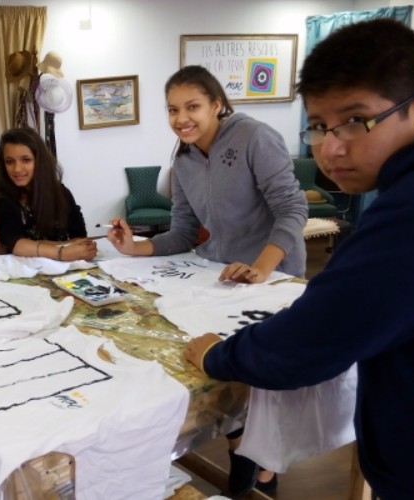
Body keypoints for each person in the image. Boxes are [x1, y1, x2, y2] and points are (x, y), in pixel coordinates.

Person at [185, 19, 414, 498]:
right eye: (317, 127)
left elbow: (309, 342)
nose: (330, 148)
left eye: (355, 121)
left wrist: (217, 354)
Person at [107, 65, 307, 495]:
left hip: (274, 275)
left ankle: (265, 468)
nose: (182, 118)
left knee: (263, 371)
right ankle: (242, 446)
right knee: (217, 356)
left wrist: (262, 267)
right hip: (220, 274)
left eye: (192, 106)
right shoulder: (183, 160)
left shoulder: (254, 136)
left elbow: (293, 209)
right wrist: (134, 248)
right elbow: (182, 232)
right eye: (173, 109)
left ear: (217, 105)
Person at [0, 127, 96, 261]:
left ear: (39, 161)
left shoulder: (61, 192)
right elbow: (15, 244)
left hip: (67, 267)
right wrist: (62, 251)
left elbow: (80, 238)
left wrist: (82, 249)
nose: (17, 169)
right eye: (9, 161)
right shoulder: (3, 199)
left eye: (26, 160)